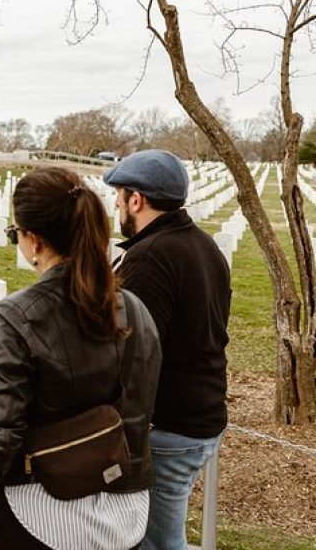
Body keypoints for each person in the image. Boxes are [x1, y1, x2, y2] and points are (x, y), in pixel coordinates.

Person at [0, 167, 162, 550]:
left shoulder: (16, 315)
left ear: (34, 240)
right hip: (126, 505)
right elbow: (144, 400)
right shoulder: (133, 307)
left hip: (44, 511)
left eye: (15, 234)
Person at [103, 149, 231, 550]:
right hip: (201, 415)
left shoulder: (150, 258)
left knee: (156, 541)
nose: (117, 206)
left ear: (136, 200)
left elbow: (132, 353)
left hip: (170, 427)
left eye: (119, 197)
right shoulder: (203, 245)